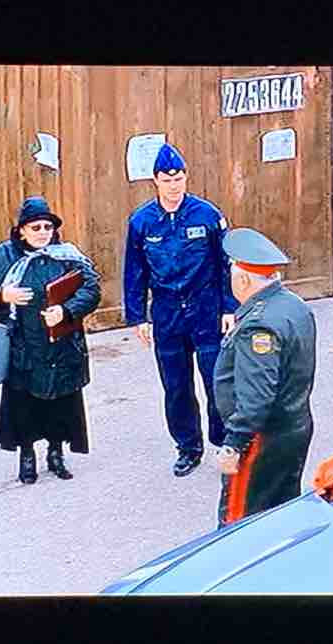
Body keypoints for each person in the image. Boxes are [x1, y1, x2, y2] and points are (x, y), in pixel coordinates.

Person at [0, 196, 102, 484]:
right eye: (36, 227)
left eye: (47, 227)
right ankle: (26, 455)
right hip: (23, 346)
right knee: (24, 403)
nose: (43, 233)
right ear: (21, 231)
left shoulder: (67, 255)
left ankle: (56, 452)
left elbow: (91, 289)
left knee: (61, 401)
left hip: (62, 344)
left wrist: (66, 310)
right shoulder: (3, 256)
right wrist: (3, 295)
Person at [123, 143, 236, 476]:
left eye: (179, 179)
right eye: (167, 180)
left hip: (206, 310)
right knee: (176, 387)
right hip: (167, 313)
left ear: (186, 178)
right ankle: (188, 447)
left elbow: (226, 264)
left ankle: (225, 441)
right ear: (156, 181)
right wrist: (138, 317)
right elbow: (134, 271)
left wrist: (229, 307)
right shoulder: (142, 221)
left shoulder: (207, 215)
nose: (174, 186)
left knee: (216, 380)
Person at [213, 227, 317, 527]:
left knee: (240, 523)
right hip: (294, 425)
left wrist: (234, 443)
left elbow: (256, 397)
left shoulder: (258, 327)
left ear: (244, 279)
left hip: (261, 439)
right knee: (281, 511)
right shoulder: (293, 305)